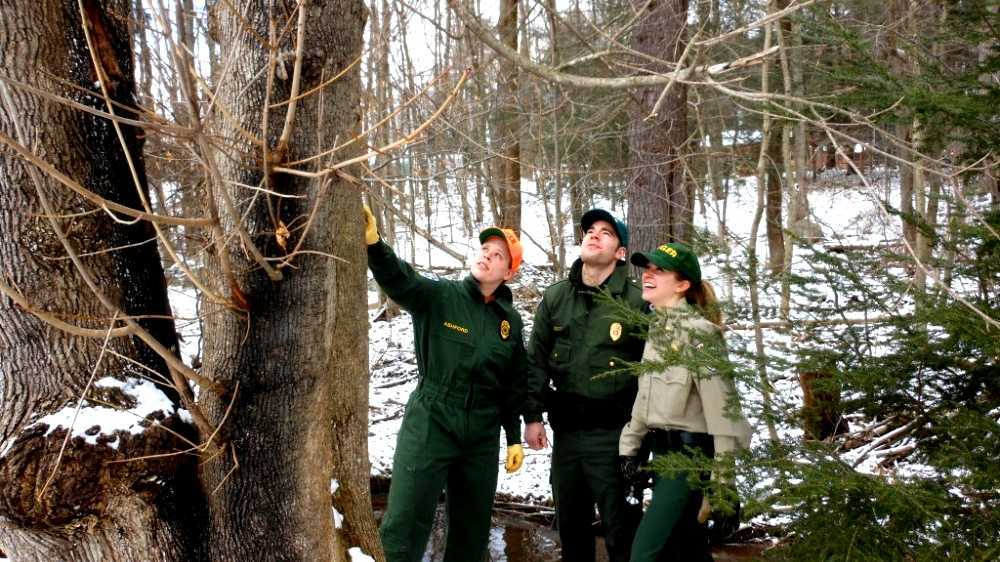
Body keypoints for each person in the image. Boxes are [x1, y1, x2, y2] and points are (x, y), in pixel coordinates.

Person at [363, 205, 527, 562]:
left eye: (498, 255)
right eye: (485, 249)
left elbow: (513, 384)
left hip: (482, 434)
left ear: (508, 272)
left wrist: (513, 437)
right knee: (405, 523)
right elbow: (400, 280)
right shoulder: (441, 297)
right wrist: (375, 245)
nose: (487, 255)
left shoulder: (510, 324)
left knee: (471, 532)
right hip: (432, 420)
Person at [523, 209, 648, 562]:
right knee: (572, 531)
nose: (594, 235)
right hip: (567, 438)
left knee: (622, 533)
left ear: (620, 252)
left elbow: (652, 376)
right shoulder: (556, 297)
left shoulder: (637, 302)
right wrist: (532, 416)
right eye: (590, 230)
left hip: (615, 438)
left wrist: (642, 443)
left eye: (606, 232)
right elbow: (536, 360)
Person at [619, 242, 752, 562]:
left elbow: (724, 414)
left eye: (659, 270)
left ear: (682, 285)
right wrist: (630, 448)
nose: (648, 275)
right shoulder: (658, 329)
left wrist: (724, 485)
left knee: (643, 553)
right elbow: (645, 396)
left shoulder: (701, 334)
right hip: (661, 454)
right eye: (647, 269)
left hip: (688, 461)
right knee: (683, 550)